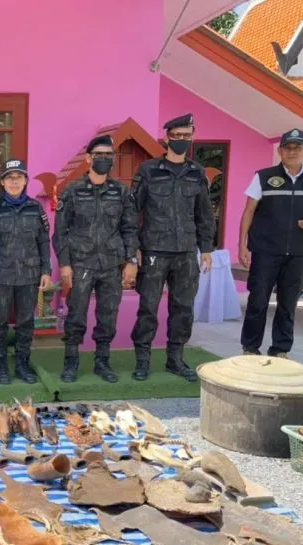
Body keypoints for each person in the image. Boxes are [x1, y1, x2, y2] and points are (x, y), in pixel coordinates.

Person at [130, 114, 215, 382]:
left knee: (183, 308)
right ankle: (142, 360)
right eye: (176, 136)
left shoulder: (197, 172)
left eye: (186, 136)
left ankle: (175, 359)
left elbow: (204, 214)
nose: (181, 140)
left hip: (186, 251)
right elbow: (132, 211)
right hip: (153, 250)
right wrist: (133, 247)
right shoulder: (149, 170)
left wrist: (206, 248)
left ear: (192, 137)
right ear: (167, 138)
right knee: (148, 307)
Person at [53, 136, 139, 383]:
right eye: (99, 154)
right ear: (88, 158)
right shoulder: (73, 191)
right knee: (76, 313)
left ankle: (102, 361)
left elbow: (130, 228)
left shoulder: (121, 192)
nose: (104, 159)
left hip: (111, 264)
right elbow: (60, 232)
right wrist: (65, 264)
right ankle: (71, 361)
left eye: (108, 155)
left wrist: (131, 261)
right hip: (81, 262)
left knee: (108, 314)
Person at [238, 129, 303, 358]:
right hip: (265, 250)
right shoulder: (263, 177)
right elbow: (248, 211)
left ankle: (280, 349)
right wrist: (242, 245)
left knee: (288, 304)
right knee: (258, 301)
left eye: (298, 147)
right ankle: (250, 348)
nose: (292, 152)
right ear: (280, 150)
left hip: (297, 253)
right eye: (288, 147)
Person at [0, 159, 52, 385]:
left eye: (19, 177)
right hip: (1, 276)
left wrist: (46, 270)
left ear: (25, 181)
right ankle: (1, 365)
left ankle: (22, 364)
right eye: (10, 178)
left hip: (29, 276)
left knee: (26, 322)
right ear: (3, 182)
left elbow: (43, 241)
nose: (14, 182)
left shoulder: (35, 208)